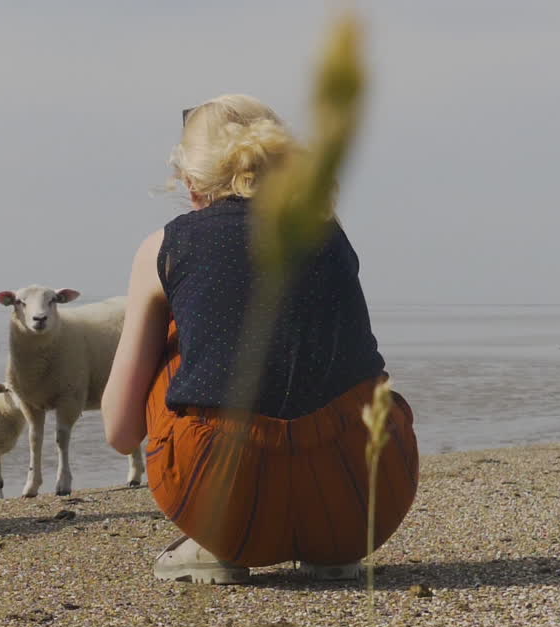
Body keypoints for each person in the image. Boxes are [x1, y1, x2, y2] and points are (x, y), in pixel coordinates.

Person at [100, 94, 418, 585]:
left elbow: (120, 433)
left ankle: (213, 549)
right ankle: (327, 548)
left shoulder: (165, 246)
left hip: (224, 506)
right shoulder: (330, 233)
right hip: (365, 501)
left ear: (190, 182)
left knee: (176, 333)